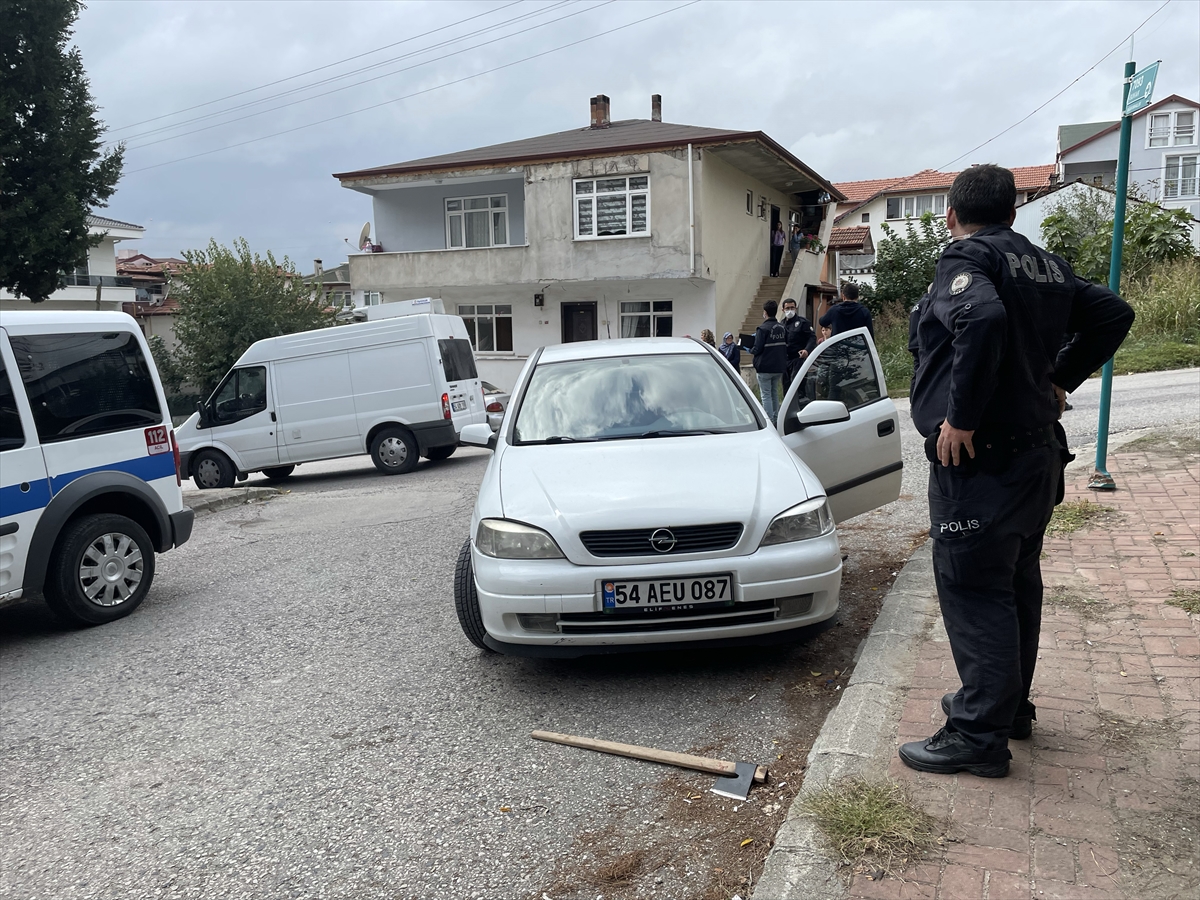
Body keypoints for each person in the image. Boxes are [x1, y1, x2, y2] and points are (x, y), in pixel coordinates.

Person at [903, 164, 1133, 778]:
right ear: (1014, 210)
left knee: (976, 591)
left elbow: (979, 319)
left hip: (980, 461)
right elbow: (1113, 313)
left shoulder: (965, 261)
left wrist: (962, 417)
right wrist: (1060, 377)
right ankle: (1008, 709)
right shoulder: (1046, 265)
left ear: (951, 215)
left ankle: (979, 735)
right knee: (1014, 584)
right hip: (1034, 458)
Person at [751, 299, 788, 425]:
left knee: (765, 395)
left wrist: (749, 348)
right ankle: (776, 419)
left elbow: (757, 348)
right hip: (778, 366)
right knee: (774, 393)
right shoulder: (782, 328)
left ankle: (769, 422)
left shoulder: (762, 329)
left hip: (765, 366)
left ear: (765, 312)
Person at [779, 297, 817, 391]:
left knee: (797, 386)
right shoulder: (781, 325)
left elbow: (812, 338)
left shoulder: (803, 322)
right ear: (783, 310)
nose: (790, 310)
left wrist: (807, 350)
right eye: (787, 308)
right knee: (786, 387)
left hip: (798, 359)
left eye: (792, 308)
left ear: (796, 308)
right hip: (785, 360)